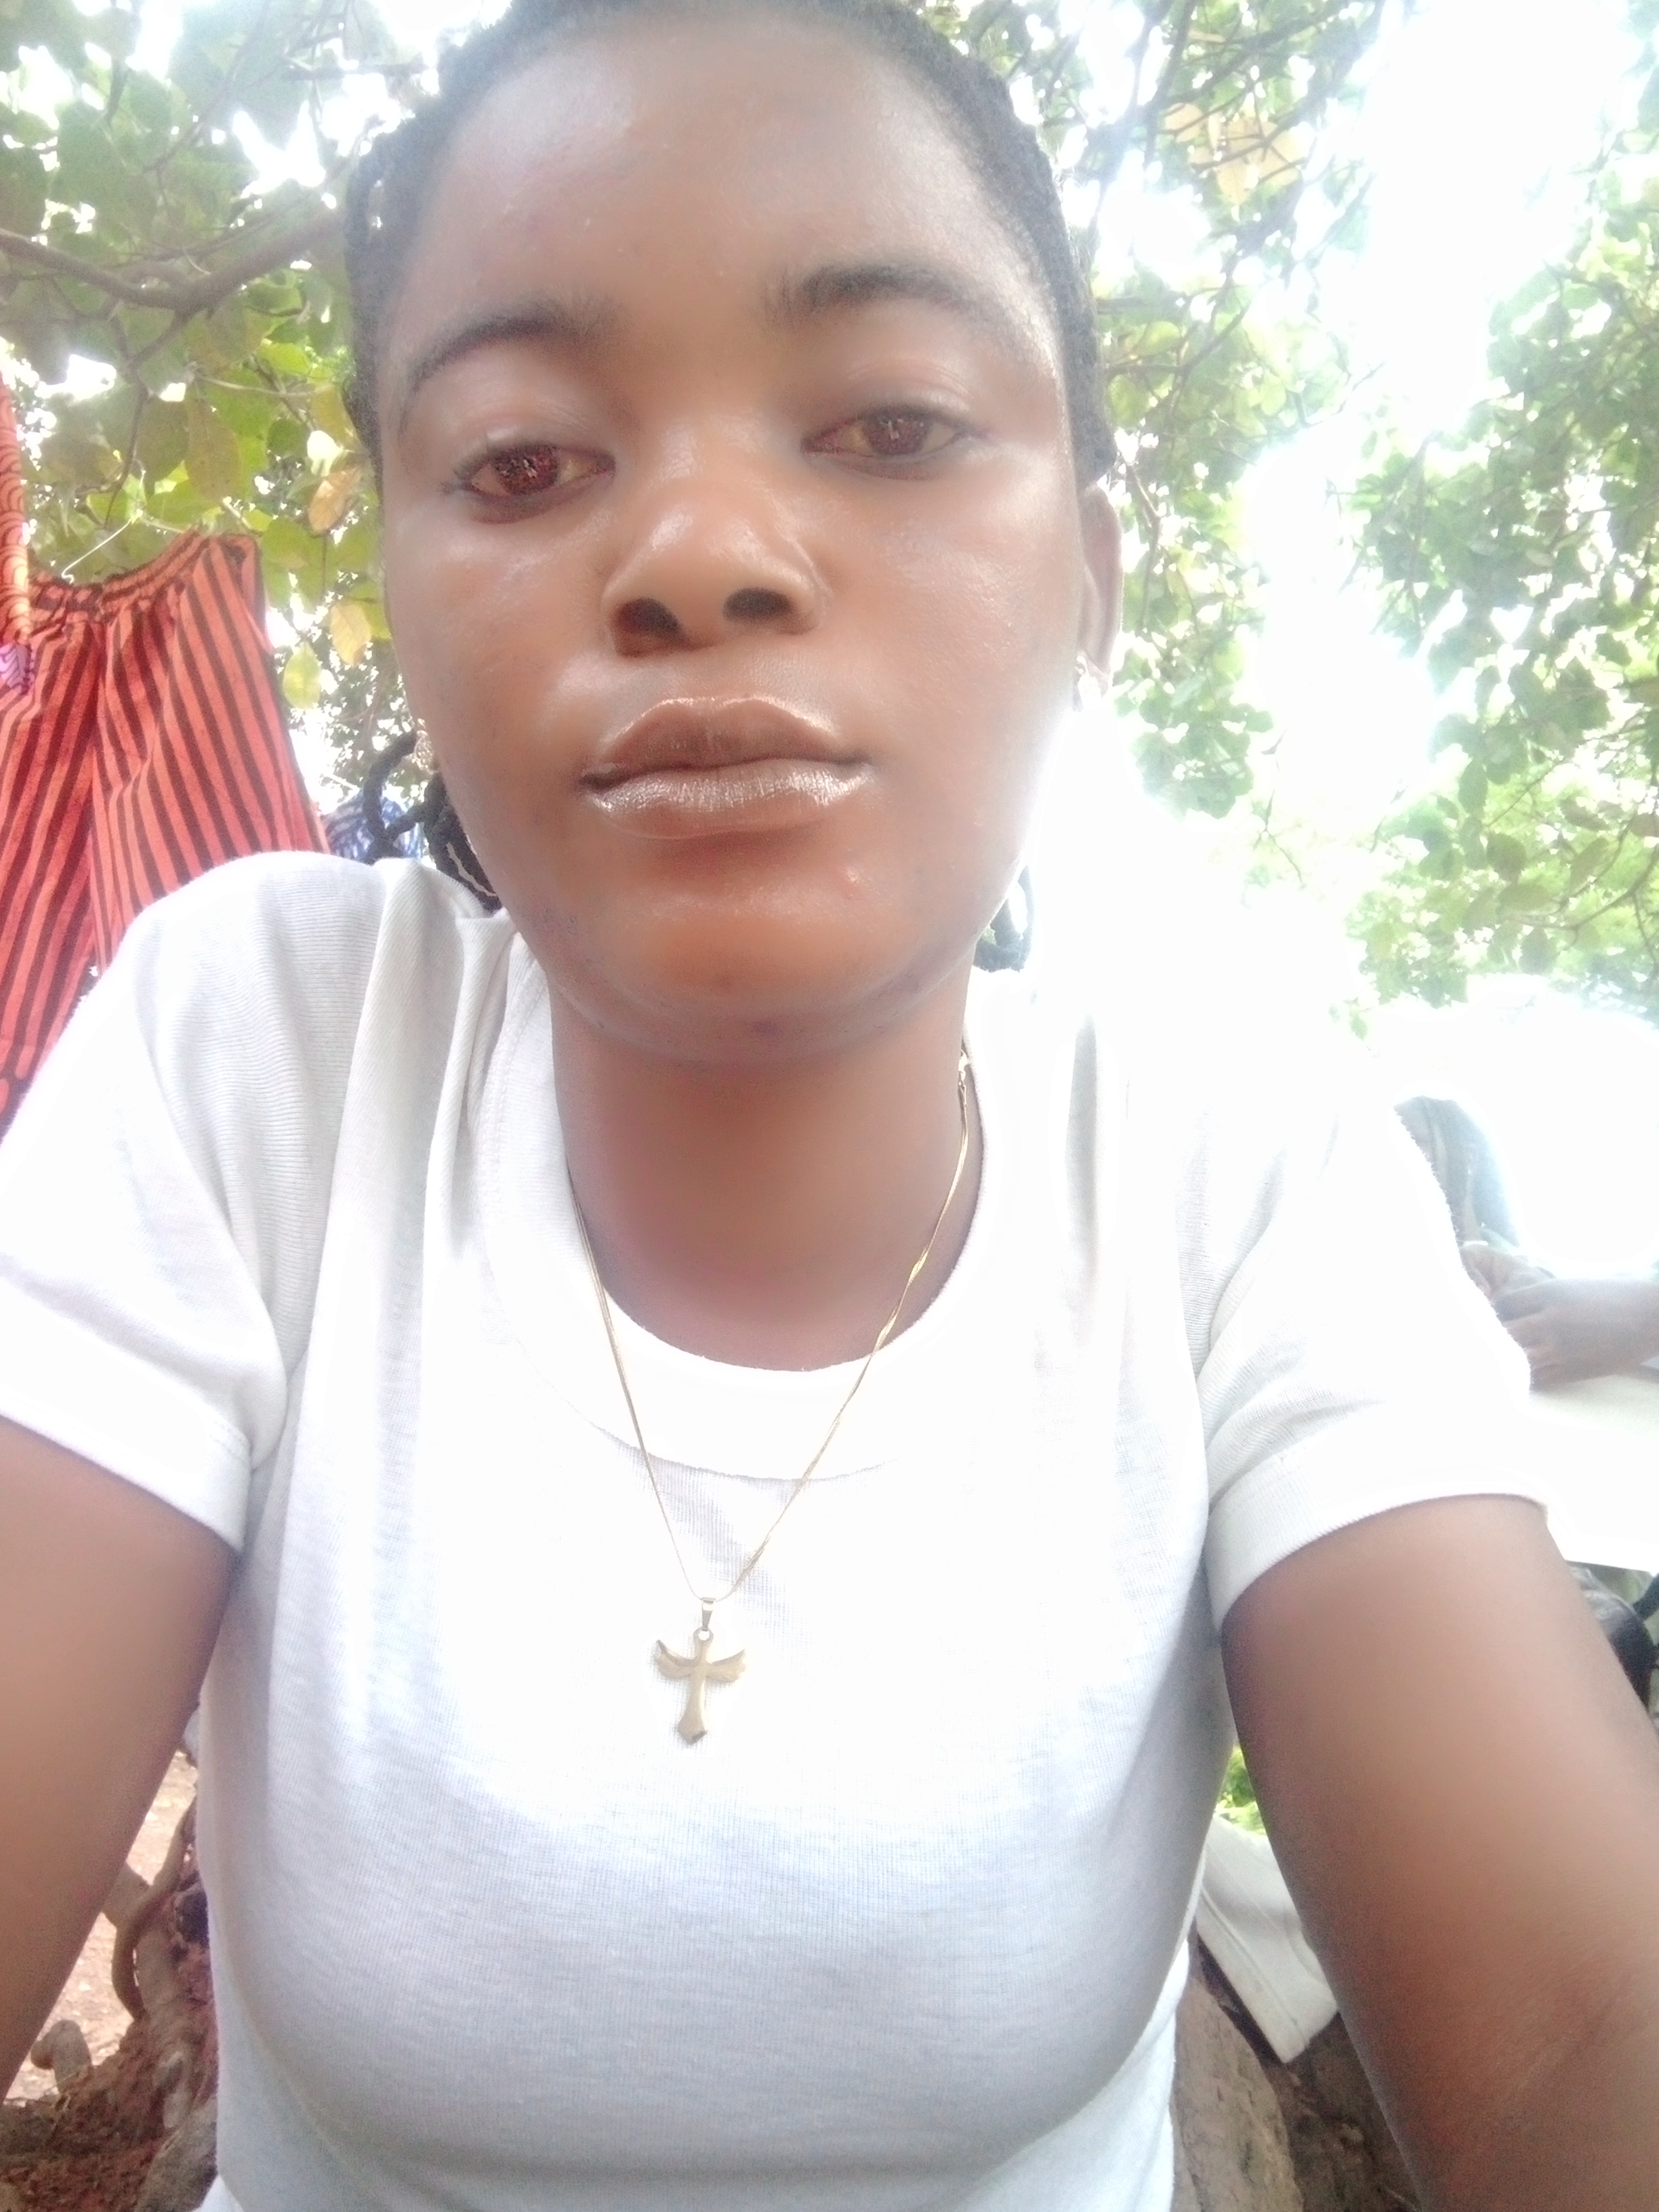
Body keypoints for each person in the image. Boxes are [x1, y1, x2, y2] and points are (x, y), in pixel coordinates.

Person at [3, 5, 1659, 2207]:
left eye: (889, 423)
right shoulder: (263, 1059)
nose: (700, 552)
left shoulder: (1227, 1174)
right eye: (521, 459)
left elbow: (1580, 2041)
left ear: (1089, 579)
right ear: (396, 586)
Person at [1397, 1094, 1659, 1389]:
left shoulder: (1549, 1273)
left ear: (1467, 1157)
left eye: (1411, 1141)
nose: (1393, 1158)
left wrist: (1647, 1318)